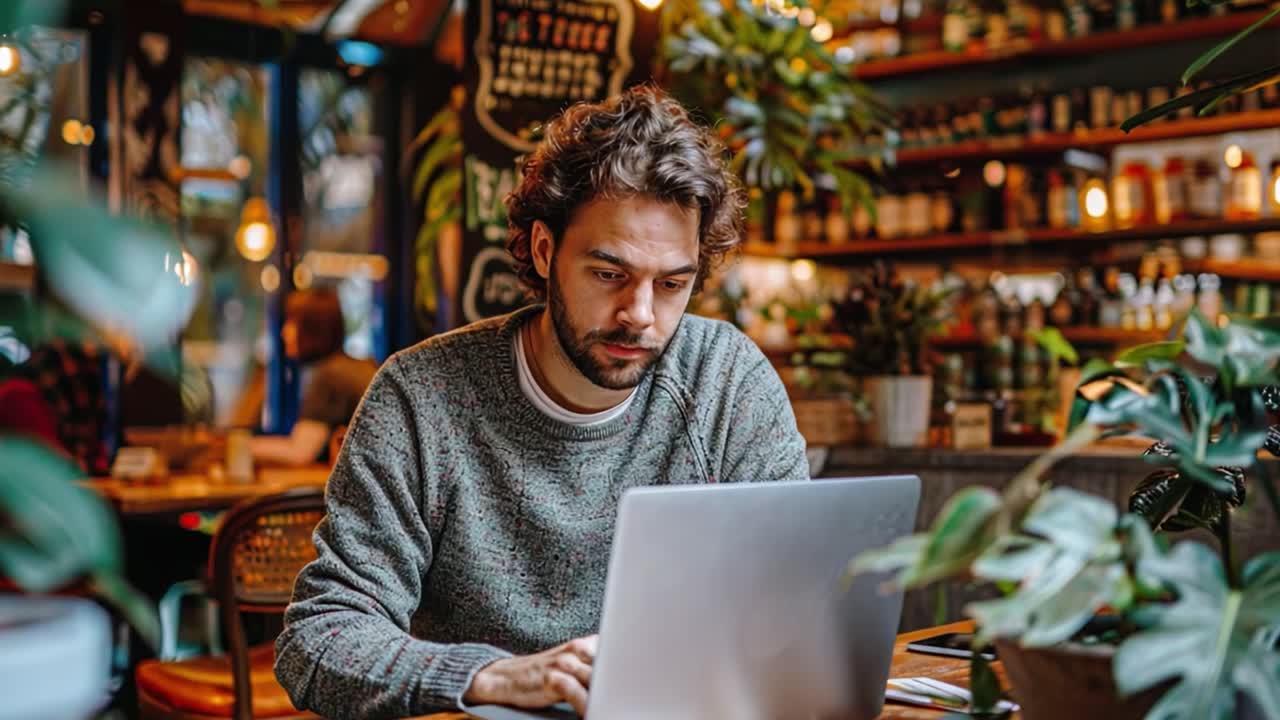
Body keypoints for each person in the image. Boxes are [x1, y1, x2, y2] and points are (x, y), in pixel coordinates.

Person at [273, 85, 808, 718]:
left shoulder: (727, 381)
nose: (640, 315)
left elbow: (798, 599)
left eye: (671, 284)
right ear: (545, 250)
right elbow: (320, 637)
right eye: (609, 274)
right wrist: (493, 677)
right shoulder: (420, 397)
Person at [250, 287, 377, 465]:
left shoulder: (332, 375)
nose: (284, 333)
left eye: (292, 323)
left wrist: (239, 447)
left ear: (312, 328)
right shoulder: (355, 367)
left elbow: (300, 453)